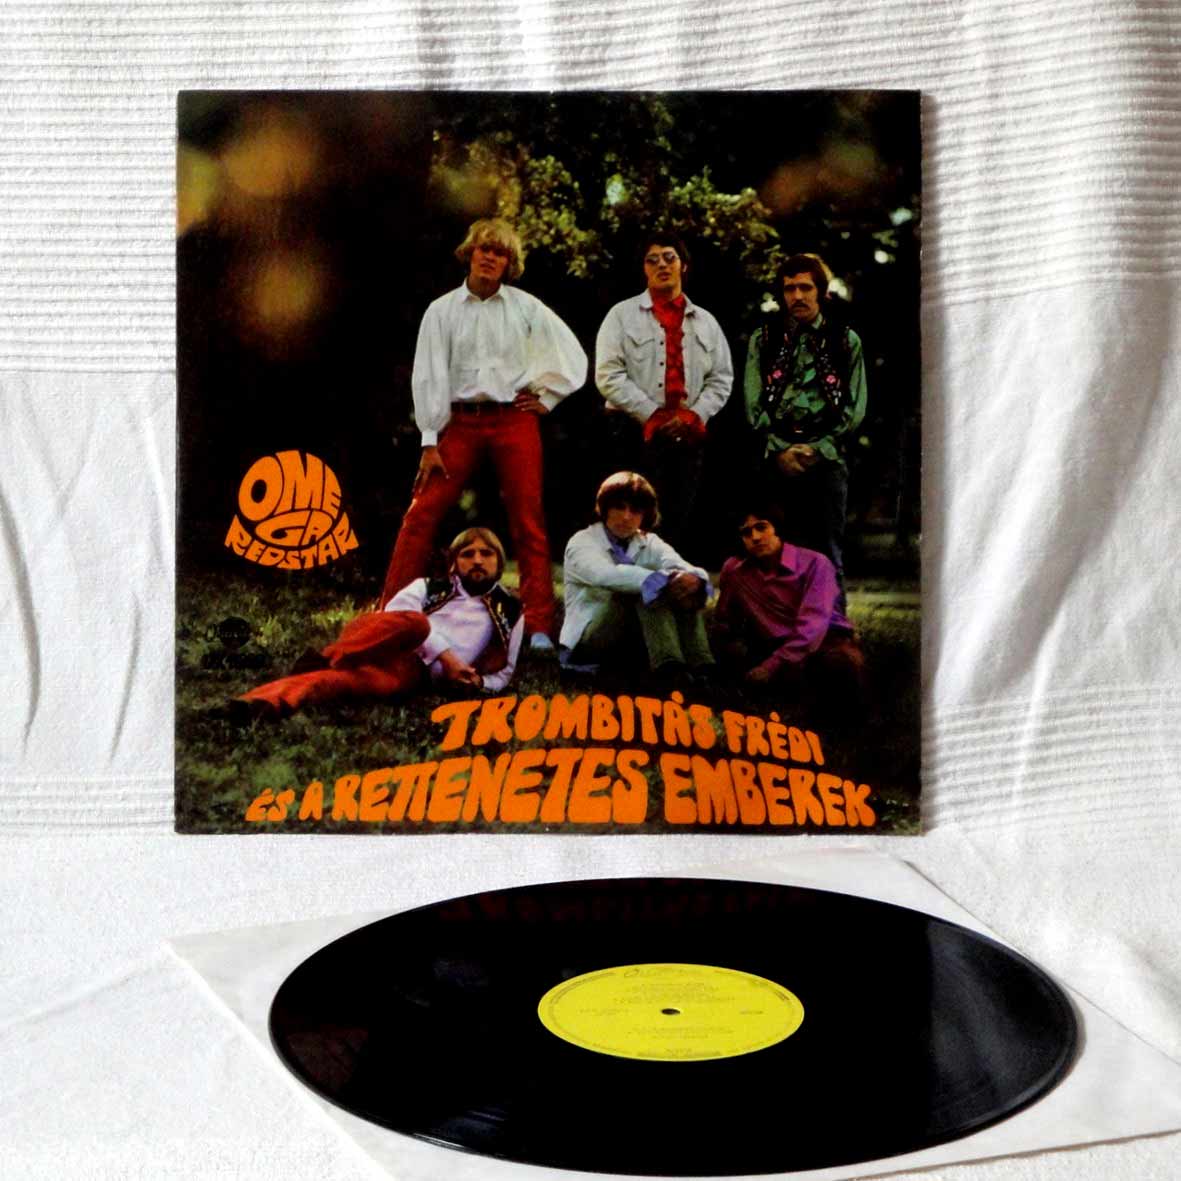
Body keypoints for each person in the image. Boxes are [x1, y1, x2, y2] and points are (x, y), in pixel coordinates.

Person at [381, 218, 587, 654]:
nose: (490, 257)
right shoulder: (442, 310)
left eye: (500, 253)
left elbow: (571, 354)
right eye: (484, 249)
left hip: (514, 419)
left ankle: (538, 625)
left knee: (528, 520)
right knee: (421, 513)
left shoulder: (527, 308)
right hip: (459, 421)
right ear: (469, 253)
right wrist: (429, 439)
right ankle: (391, 614)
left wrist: (548, 397)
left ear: (510, 264)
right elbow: (428, 374)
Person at [238, 527, 523, 717]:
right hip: (376, 640)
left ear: (499, 563)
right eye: (467, 554)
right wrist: (447, 657)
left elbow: (504, 674)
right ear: (454, 563)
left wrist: (478, 682)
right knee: (417, 624)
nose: (477, 560)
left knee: (341, 682)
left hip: (411, 673)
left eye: (486, 554)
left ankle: (259, 702)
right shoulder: (427, 587)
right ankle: (329, 656)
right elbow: (394, 618)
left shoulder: (510, 611)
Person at [594, 233, 733, 551]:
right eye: (652, 260)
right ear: (644, 269)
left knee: (677, 520)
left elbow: (722, 378)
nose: (662, 265)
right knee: (625, 517)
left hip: (687, 434)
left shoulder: (706, 322)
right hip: (630, 431)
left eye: (669, 258)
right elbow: (608, 374)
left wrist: (693, 416)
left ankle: (666, 580)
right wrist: (652, 415)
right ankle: (622, 580)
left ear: (684, 266)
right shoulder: (621, 316)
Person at [744, 253, 867, 599]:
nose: (797, 296)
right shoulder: (764, 339)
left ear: (821, 292)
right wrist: (781, 450)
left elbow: (855, 406)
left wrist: (819, 449)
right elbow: (753, 404)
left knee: (827, 550)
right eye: (789, 289)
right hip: (776, 459)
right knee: (775, 550)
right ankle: (780, 622)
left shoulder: (846, 341)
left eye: (805, 288)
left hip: (827, 459)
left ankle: (833, 623)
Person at [560, 471, 715, 683]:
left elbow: (681, 566)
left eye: (635, 510)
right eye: (619, 507)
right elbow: (605, 575)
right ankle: (669, 668)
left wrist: (694, 580)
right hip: (587, 642)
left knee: (684, 587)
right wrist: (664, 580)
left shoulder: (649, 541)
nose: (626, 516)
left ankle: (703, 665)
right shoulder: (582, 541)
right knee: (644, 588)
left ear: (644, 515)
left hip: (632, 637)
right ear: (605, 508)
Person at [713, 505, 866, 715]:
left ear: (777, 529)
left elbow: (812, 625)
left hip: (823, 640)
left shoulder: (815, 563)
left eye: (761, 527)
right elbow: (724, 619)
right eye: (746, 533)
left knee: (840, 667)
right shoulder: (736, 571)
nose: (755, 537)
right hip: (770, 645)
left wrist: (771, 666)